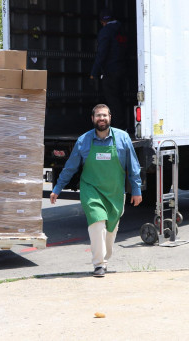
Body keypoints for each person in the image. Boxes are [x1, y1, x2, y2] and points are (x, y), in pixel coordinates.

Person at [50, 104, 142, 278]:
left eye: (105, 115)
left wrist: (136, 189)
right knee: (97, 221)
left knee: (111, 227)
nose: (102, 118)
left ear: (110, 118)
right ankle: (98, 264)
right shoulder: (83, 141)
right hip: (91, 189)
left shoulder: (122, 138)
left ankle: (104, 259)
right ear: (92, 119)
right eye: (98, 115)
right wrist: (57, 188)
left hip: (115, 191)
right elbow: (70, 167)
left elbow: (134, 166)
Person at [90, 8, 129, 133]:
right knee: (120, 98)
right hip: (122, 70)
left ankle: (118, 129)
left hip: (110, 71)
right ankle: (124, 126)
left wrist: (94, 72)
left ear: (102, 22)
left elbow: (102, 53)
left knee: (112, 100)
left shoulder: (106, 31)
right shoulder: (122, 30)